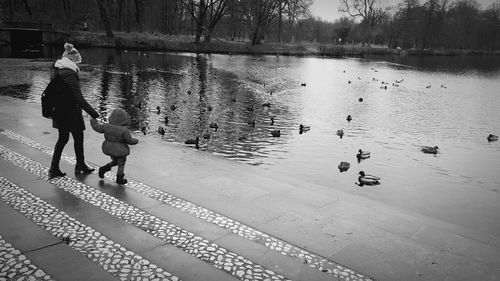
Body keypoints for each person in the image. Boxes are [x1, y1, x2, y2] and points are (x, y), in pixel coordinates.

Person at [48, 43, 99, 179]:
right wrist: (94, 113)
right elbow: (78, 98)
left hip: (58, 111)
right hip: (70, 112)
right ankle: (80, 165)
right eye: (77, 62)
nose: (78, 65)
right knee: (78, 138)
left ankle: (54, 168)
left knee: (62, 139)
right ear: (72, 61)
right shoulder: (70, 74)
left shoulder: (57, 70)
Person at [90, 108, 139, 184]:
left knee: (115, 161)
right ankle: (119, 178)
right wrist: (136, 140)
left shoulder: (106, 126)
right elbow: (130, 141)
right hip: (120, 150)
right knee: (121, 163)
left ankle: (104, 169)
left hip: (109, 148)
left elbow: (96, 127)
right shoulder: (124, 130)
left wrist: (93, 120)